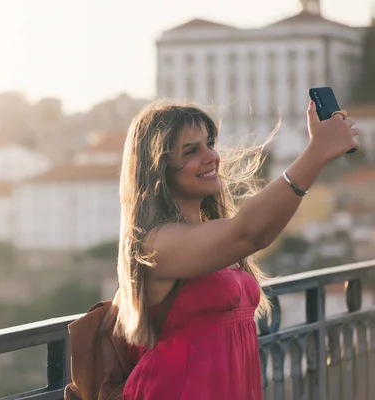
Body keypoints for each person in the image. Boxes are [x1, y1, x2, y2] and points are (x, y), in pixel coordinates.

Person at [108, 100, 359, 399]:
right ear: (158, 169)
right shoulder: (156, 243)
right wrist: (317, 152)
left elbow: (253, 231)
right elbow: (250, 233)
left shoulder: (209, 234)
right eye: (191, 151)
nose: (211, 156)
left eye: (209, 144)